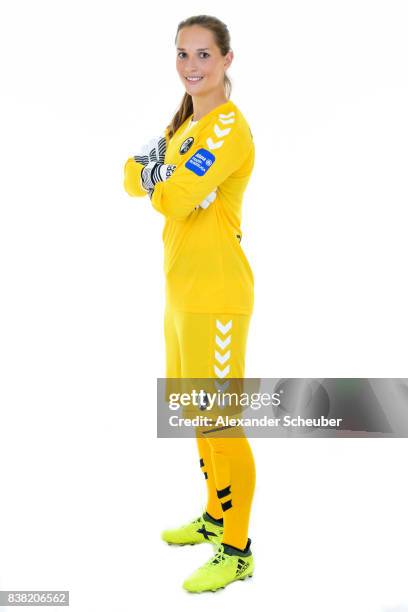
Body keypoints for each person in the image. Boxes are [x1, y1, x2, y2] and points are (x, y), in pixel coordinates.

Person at [123, 14, 256, 593]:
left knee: (221, 420)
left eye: (203, 54)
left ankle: (238, 547)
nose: (191, 66)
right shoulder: (182, 128)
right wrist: (161, 175)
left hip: (217, 297)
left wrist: (161, 178)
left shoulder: (227, 128)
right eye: (182, 54)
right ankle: (214, 515)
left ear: (227, 60)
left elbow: (172, 197)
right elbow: (132, 176)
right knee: (198, 413)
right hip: (180, 293)